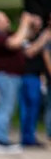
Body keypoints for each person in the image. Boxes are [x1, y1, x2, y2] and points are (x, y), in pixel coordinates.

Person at [0, 11, 47, 153]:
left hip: (13, 77)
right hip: (7, 76)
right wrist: (24, 22)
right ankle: (1, 140)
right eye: (5, 21)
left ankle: (3, 139)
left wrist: (33, 27)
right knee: (6, 107)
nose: (8, 23)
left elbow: (25, 39)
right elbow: (15, 43)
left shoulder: (7, 34)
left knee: (8, 107)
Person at [20, 15, 51, 147]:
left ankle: (29, 136)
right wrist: (43, 39)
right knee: (28, 108)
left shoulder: (39, 36)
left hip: (37, 77)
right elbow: (30, 52)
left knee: (34, 108)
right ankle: (27, 138)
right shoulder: (25, 38)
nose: (39, 22)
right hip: (28, 76)